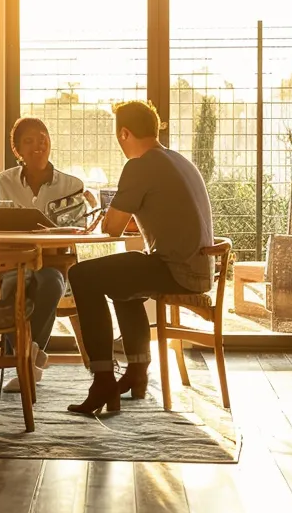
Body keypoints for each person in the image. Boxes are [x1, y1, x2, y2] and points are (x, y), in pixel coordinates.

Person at [65, 101, 213, 415]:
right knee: (122, 279)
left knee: (82, 275)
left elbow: (112, 227)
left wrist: (109, 217)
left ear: (124, 133)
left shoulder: (141, 164)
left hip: (177, 268)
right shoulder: (177, 159)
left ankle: (103, 379)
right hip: (197, 267)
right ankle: (136, 371)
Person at [0, 117, 97, 391]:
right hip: (13, 264)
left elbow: (78, 228)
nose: (38, 145)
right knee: (12, 287)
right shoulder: (3, 182)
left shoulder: (71, 185)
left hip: (54, 265)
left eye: (43, 138)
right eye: (29, 141)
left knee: (49, 284)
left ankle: (27, 361)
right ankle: (30, 361)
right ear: (17, 151)